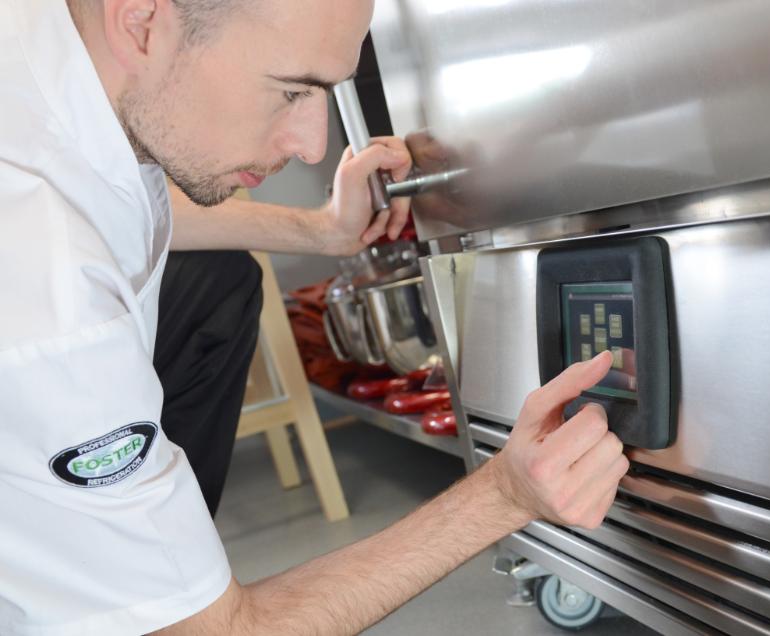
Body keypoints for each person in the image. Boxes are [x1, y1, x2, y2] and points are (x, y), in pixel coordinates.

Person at [0, 0, 630, 634]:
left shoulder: (53, 63)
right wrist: (504, 495)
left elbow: (122, 194)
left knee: (220, 284)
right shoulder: (45, 285)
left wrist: (325, 232)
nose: (312, 146)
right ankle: (151, 582)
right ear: (139, 21)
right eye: (291, 91)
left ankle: (159, 553)